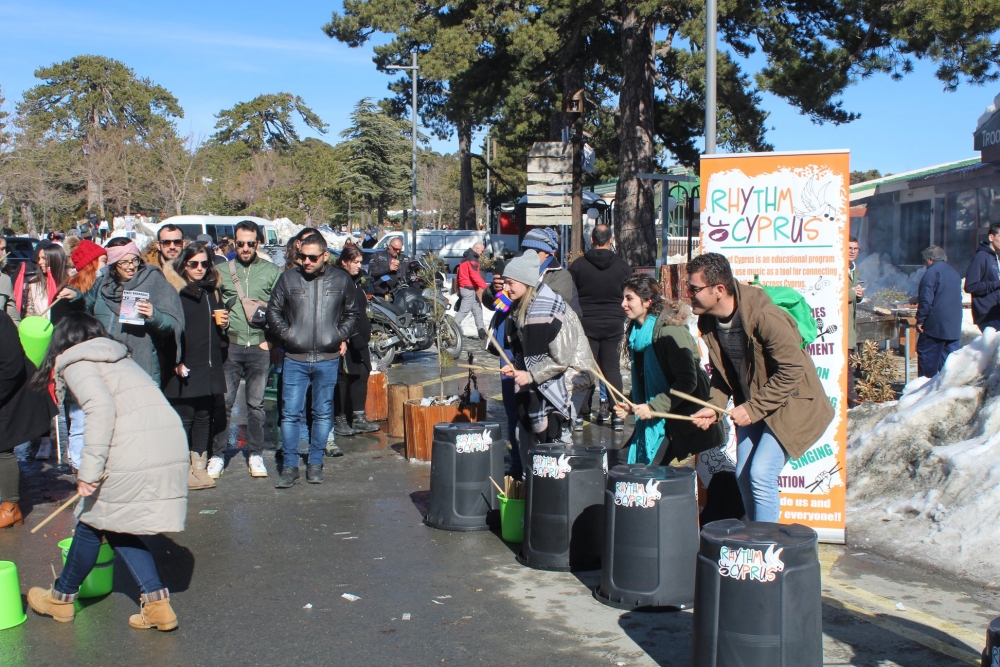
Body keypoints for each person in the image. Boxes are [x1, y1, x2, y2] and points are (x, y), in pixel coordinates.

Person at [26, 313, 188, 630]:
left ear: (62, 342)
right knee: (111, 524)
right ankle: (157, 606)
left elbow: (100, 409)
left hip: (133, 449)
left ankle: (61, 600)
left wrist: (89, 472)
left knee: (93, 522)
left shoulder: (77, 362)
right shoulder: (117, 357)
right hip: (164, 442)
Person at [686, 253, 833, 523]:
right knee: (743, 473)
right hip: (757, 402)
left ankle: (765, 548)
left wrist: (752, 409)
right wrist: (714, 408)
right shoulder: (709, 321)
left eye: (694, 289)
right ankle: (753, 538)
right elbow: (722, 375)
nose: (688, 294)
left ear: (719, 290)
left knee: (761, 473)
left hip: (794, 403)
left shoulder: (766, 317)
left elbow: (792, 370)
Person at [267, 233, 359, 487]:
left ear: (325, 256)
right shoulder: (288, 278)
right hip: (295, 357)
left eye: (312, 257)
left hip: (327, 358)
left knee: (322, 413)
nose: (306, 261)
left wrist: (340, 334)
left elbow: (352, 312)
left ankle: (316, 463)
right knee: (290, 414)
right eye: (302, 257)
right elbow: (273, 311)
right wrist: (288, 334)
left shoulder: (341, 279)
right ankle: (289, 466)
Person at [495, 250, 594, 468]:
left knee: (557, 439)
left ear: (525, 281)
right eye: (505, 283)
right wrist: (516, 369)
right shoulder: (521, 304)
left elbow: (561, 360)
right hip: (545, 377)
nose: (506, 288)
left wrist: (529, 374)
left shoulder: (549, 309)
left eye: (510, 283)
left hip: (571, 380)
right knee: (525, 434)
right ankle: (532, 485)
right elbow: (522, 349)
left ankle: (559, 483)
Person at [612, 274, 724, 464]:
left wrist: (653, 407)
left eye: (629, 298)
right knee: (624, 461)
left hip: (681, 416)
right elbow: (646, 379)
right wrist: (632, 404)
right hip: (661, 413)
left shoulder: (669, 330)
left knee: (641, 469)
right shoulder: (638, 332)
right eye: (623, 298)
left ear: (647, 301)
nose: (623, 304)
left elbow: (688, 380)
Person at [57, 238, 184, 388]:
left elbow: (172, 326)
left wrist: (153, 315)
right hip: (106, 362)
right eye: (123, 262)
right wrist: (76, 298)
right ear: (113, 263)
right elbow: (86, 314)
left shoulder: (155, 282)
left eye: (134, 260)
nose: (131, 267)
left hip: (141, 363)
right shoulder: (102, 283)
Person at [211, 220, 282, 479]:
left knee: (256, 405)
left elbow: (279, 309)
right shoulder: (221, 270)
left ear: (257, 244)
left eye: (250, 243)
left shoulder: (271, 271)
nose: (244, 248)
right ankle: (218, 454)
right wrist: (217, 328)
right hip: (231, 345)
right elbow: (211, 304)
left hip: (260, 347)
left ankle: (255, 454)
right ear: (234, 243)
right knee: (224, 403)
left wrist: (272, 341)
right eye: (240, 243)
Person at [163, 242, 229, 491]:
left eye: (204, 263)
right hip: (186, 362)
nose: (200, 268)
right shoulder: (176, 291)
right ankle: (182, 469)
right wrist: (176, 362)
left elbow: (218, 332)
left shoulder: (212, 291)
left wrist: (223, 325)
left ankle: (199, 467)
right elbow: (169, 332)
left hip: (209, 361)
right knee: (185, 416)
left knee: (204, 415)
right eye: (194, 264)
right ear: (184, 265)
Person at [568, 224, 631, 429]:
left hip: (586, 323)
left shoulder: (578, 266)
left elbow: (571, 295)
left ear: (592, 241)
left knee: (585, 368)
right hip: (614, 322)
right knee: (611, 369)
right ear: (611, 240)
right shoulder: (622, 266)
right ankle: (617, 415)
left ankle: (579, 413)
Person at [0, 310, 57, 528]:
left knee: (2, 447)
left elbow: (11, 367)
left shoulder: (0, 320)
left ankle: (10, 507)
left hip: (12, 392)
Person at [64, 239, 109, 470]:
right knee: (79, 413)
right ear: (91, 264)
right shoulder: (74, 290)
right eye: (102, 260)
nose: (107, 265)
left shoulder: (106, 286)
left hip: (101, 356)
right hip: (78, 358)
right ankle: (79, 463)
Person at [333, 244, 379, 437]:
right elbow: (339, 312)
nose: (359, 266)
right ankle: (340, 418)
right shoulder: (338, 281)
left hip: (359, 338)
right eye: (355, 262)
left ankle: (358, 417)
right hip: (345, 338)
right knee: (342, 379)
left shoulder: (355, 281)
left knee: (361, 373)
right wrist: (350, 335)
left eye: (360, 262)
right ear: (344, 262)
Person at [915, 245, 963, 377]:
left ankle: (923, 394)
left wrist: (920, 320)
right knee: (948, 370)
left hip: (935, 328)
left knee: (927, 367)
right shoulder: (954, 272)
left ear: (929, 260)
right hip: (953, 328)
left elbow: (926, 299)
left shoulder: (931, 272)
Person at [519, 227, 582, 316]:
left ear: (547, 253)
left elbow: (552, 307)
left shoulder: (560, 275)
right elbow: (496, 304)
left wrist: (521, 291)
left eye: (534, 251)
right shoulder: (517, 270)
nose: (528, 255)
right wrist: (495, 290)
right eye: (525, 250)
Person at [964, 222, 1000, 332]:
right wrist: (996, 283)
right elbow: (970, 286)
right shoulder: (981, 257)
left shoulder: (996, 258)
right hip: (988, 315)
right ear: (991, 237)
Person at [454, 241, 488, 341]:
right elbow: (474, 276)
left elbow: (459, 275)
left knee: (477, 309)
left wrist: (459, 289)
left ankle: (481, 332)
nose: (482, 253)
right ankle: (450, 329)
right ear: (477, 249)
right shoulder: (472, 259)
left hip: (467, 288)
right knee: (464, 311)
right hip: (468, 288)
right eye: (481, 251)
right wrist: (485, 287)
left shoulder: (465, 258)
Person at [141, 224, 187, 290]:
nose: (172, 247)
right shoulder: (146, 269)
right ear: (159, 245)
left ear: (183, 244)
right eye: (166, 242)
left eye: (177, 242)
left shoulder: (194, 265)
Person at [847, 237, 865, 405]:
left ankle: (851, 399)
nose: (853, 251)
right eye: (850, 248)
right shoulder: (837, 268)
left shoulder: (852, 269)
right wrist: (853, 293)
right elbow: (833, 292)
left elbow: (851, 293)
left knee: (850, 365)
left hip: (849, 326)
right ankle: (851, 400)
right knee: (846, 367)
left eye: (856, 249)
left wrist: (859, 295)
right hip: (841, 326)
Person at [0, 237, 19, 324]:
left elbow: (13, 318)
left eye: (4, 249)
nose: (4, 253)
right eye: (1, 249)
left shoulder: (5, 279)